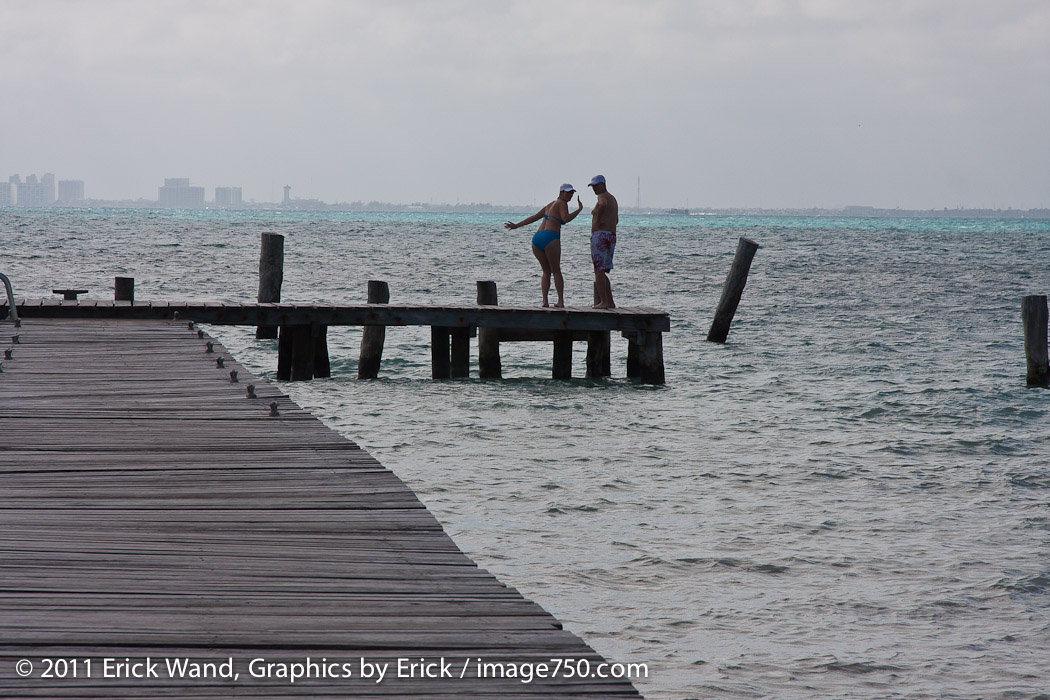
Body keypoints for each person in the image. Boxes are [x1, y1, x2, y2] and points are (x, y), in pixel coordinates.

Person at [504, 183, 583, 307]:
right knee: (556, 271)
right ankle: (560, 302)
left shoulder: (550, 204)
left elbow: (534, 217)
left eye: (572, 193)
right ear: (561, 193)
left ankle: (545, 302)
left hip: (537, 238)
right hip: (550, 237)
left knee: (546, 271)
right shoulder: (562, 203)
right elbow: (566, 218)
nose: (570, 195)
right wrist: (579, 210)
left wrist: (516, 226)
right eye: (568, 193)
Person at [588, 175, 618, 308]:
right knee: (602, 270)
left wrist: (599, 219)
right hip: (610, 235)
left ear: (603, 184)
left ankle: (604, 302)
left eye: (596, 186)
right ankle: (610, 301)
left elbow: (602, 204)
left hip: (600, 236)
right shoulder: (613, 199)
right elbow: (616, 219)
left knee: (598, 270)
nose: (594, 189)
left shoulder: (602, 197)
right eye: (593, 186)